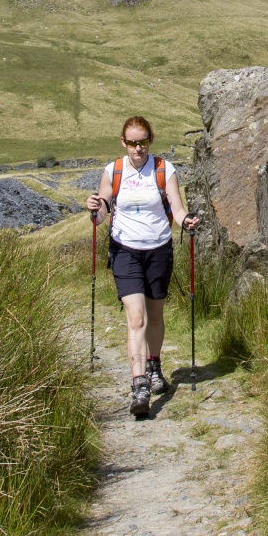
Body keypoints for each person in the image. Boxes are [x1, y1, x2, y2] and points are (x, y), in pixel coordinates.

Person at [87, 116, 199, 419]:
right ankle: (139, 387)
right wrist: (95, 209)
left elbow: (176, 208)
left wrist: (186, 221)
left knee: (155, 315)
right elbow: (103, 213)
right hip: (125, 250)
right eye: (133, 142)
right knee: (135, 318)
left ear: (151, 140)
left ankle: (154, 365)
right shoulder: (114, 171)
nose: (138, 148)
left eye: (144, 141)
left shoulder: (164, 170)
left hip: (159, 249)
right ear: (123, 142)